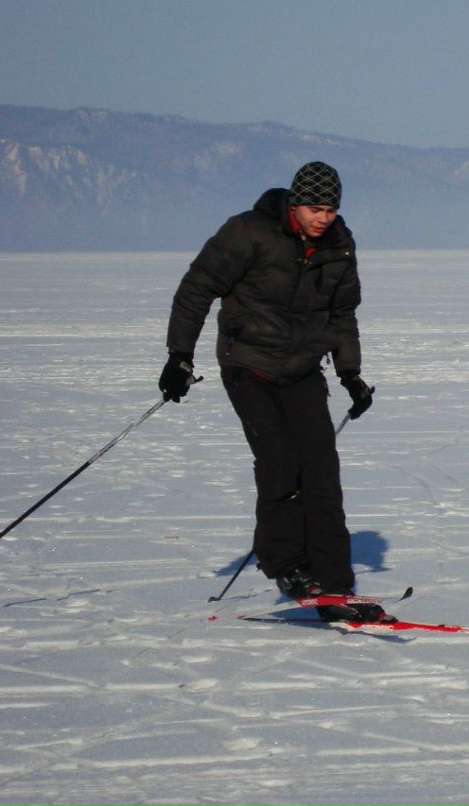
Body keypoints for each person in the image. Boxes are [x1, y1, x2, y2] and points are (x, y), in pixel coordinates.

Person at [158, 161, 380, 621]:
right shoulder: (248, 233)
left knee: (320, 471)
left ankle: (336, 588)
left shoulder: (339, 247)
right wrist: (180, 355)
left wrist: (350, 375)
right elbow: (196, 288)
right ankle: (286, 565)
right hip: (249, 364)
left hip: (302, 368)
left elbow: (342, 316)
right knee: (279, 460)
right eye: (315, 208)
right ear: (295, 204)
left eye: (331, 209)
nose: (324, 218)